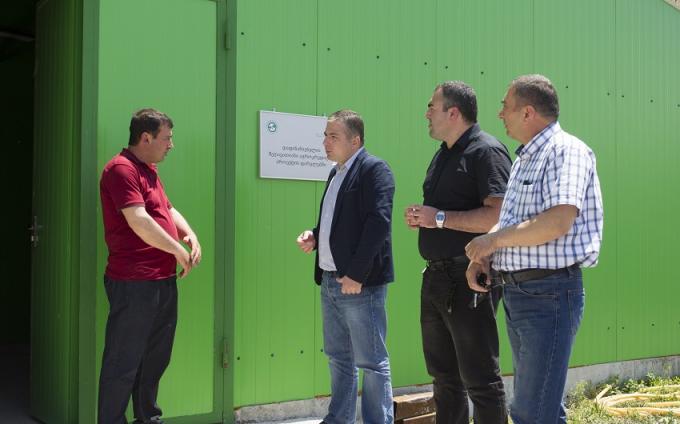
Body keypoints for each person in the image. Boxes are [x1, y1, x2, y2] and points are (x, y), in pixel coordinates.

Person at [465, 74, 604, 424]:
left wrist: (492, 240)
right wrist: (485, 256)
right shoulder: (525, 159)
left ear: (528, 112)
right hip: (523, 294)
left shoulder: (566, 151)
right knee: (541, 407)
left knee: (531, 411)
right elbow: (512, 220)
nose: (500, 114)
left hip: (549, 294)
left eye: (505, 107)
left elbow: (556, 222)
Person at [404, 82, 511, 423]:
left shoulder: (486, 151)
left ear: (453, 112)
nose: (426, 114)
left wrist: (437, 218)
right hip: (436, 277)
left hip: (470, 276)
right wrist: (426, 218)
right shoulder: (443, 154)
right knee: (444, 377)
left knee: (480, 377)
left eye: (431, 107)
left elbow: (498, 216)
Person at [98, 108, 202, 424]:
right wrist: (178, 251)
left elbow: (166, 209)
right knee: (123, 362)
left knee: (154, 360)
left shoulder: (149, 170)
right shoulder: (121, 169)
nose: (171, 144)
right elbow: (139, 220)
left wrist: (189, 234)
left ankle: (148, 418)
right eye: (166, 138)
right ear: (146, 137)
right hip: (134, 283)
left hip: (161, 280)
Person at [296, 110, 395, 424]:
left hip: (358, 285)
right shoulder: (336, 173)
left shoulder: (374, 170)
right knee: (339, 358)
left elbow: (378, 224)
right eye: (325, 136)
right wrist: (315, 235)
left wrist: (356, 274)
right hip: (330, 281)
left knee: (371, 362)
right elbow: (340, 221)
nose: (325, 142)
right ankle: (339, 419)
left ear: (355, 140)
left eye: (333, 136)